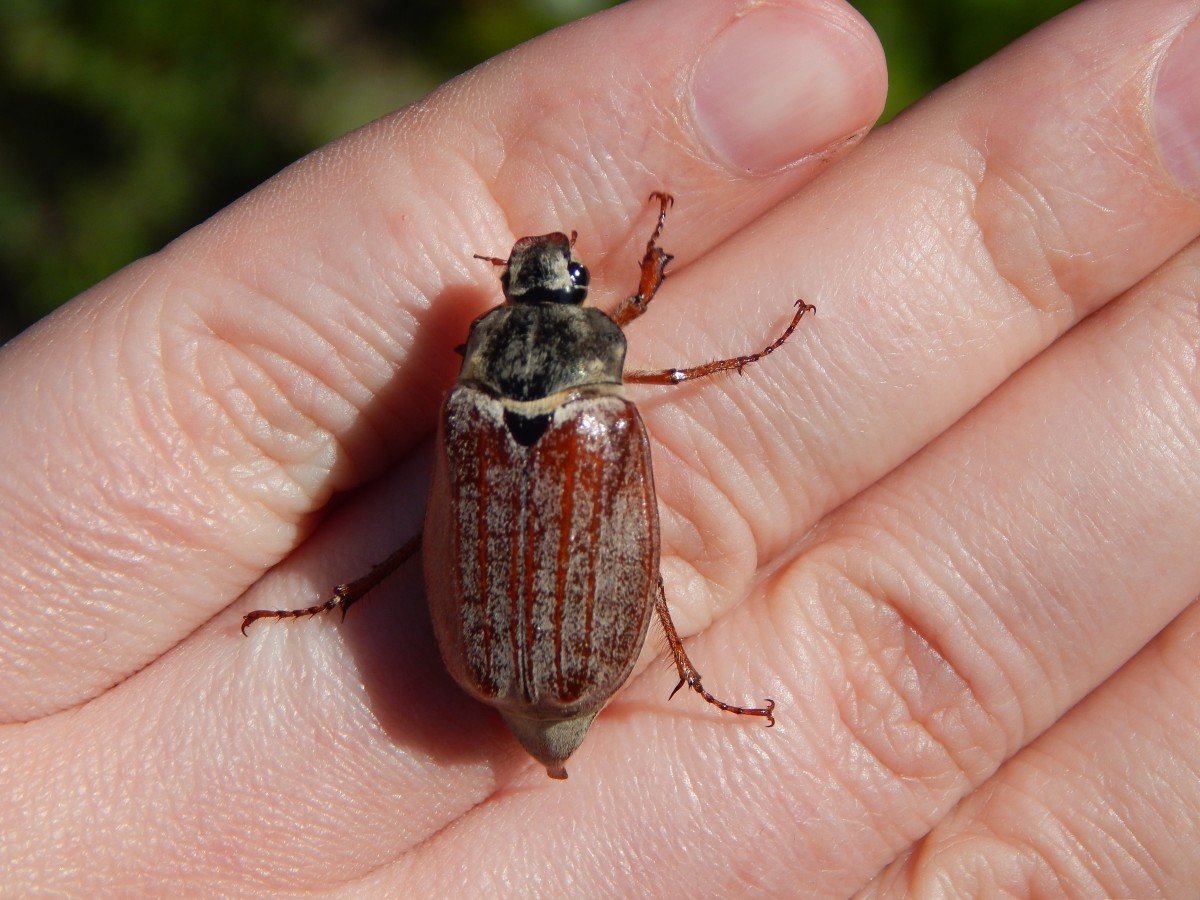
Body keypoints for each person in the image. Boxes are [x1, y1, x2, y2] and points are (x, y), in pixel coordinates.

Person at [2, 0, 1198, 893]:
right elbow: (648, 345)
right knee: (670, 562)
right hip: (562, 656)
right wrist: (701, 300)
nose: (549, 279)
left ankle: (398, 619)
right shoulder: (603, 395)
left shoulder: (474, 408)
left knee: (557, 548)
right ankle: (667, 669)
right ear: (571, 308)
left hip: (495, 657)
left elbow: (440, 535)